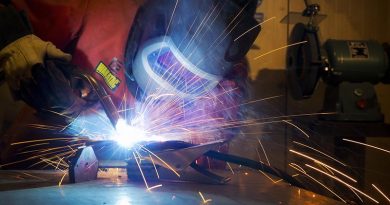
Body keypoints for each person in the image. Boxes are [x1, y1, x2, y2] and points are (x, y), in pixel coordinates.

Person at [0, 0, 260, 167]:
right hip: (39, 158)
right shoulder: (97, 9)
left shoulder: (223, 85)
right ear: (159, 24)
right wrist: (13, 40)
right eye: (168, 61)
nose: (173, 82)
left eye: (191, 81)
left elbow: (218, 130)